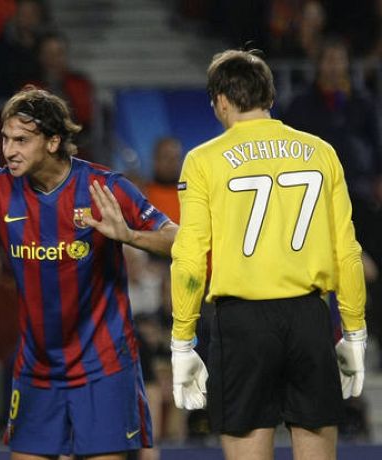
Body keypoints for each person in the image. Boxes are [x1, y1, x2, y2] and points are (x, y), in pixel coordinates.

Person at [0, 85, 177, 459]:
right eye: (5, 138)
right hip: (37, 368)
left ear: (53, 141)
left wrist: (129, 236)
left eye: (22, 140)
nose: (9, 150)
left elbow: (177, 238)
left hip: (103, 366)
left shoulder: (103, 187)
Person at [170, 49, 366, 460]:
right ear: (270, 97)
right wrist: (354, 332)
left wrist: (182, 340)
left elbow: (189, 258)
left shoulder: (203, 160)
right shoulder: (321, 152)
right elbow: (347, 252)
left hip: (242, 324)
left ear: (221, 101)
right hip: (309, 317)